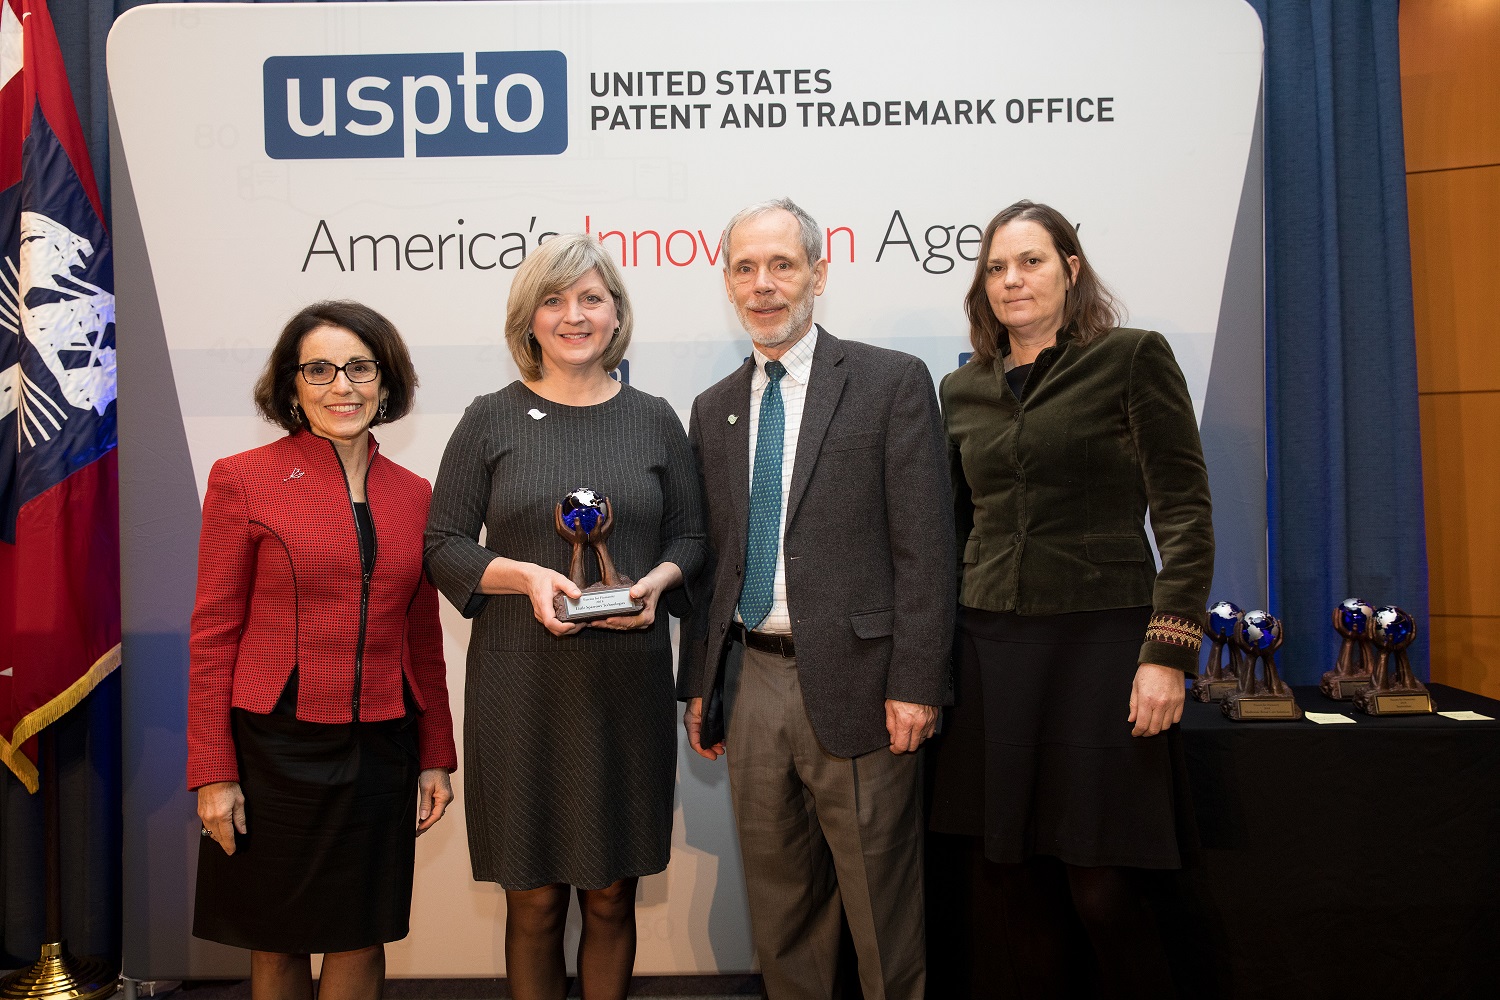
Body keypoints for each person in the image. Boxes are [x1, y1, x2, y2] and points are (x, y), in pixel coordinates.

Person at [927, 199, 1214, 998]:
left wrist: (1167, 654)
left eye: (1031, 261)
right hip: (991, 653)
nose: (1012, 280)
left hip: (1102, 650)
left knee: (1102, 888)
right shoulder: (961, 391)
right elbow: (950, 534)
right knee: (1013, 881)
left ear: (1071, 270)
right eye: (996, 267)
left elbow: (1185, 514)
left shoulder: (1130, 359)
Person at [678, 198, 955, 1000]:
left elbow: (926, 550)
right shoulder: (714, 407)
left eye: (782, 265)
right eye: (745, 268)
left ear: (818, 274)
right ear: (727, 281)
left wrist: (915, 682)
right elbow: (717, 561)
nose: (763, 286)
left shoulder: (889, 381)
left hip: (865, 685)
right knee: (781, 909)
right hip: (751, 680)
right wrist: (702, 683)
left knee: (881, 909)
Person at [424, 234, 706, 1000]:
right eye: (553, 299)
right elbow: (441, 543)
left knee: (612, 892)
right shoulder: (489, 419)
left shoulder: (654, 419)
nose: (573, 315)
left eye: (591, 298)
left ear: (617, 315)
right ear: (528, 318)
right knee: (535, 896)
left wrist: (655, 582)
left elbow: (691, 534)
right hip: (520, 687)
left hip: (625, 683)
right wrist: (523, 576)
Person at [188, 300, 457, 1000]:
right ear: (290, 387)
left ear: (386, 383)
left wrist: (435, 754)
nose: (343, 386)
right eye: (319, 369)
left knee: (360, 930)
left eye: (360, 367)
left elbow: (421, 636)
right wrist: (213, 773)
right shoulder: (240, 478)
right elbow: (214, 634)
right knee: (275, 937)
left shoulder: (416, 494)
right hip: (272, 747)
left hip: (380, 748)